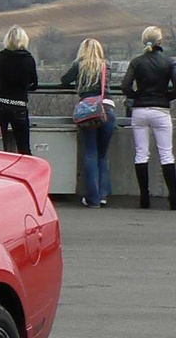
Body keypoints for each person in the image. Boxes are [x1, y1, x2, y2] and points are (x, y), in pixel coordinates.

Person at [119, 25, 175, 209]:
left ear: (144, 41)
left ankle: (144, 197)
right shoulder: (168, 62)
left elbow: (125, 86)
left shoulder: (137, 62)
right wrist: (166, 96)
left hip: (140, 110)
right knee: (166, 154)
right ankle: (173, 198)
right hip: (161, 110)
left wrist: (136, 96)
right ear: (160, 41)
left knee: (141, 152)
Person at [61, 38, 116, 207]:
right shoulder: (105, 65)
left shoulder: (79, 66)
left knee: (90, 153)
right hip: (106, 109)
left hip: (87, 111)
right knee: (103, 154)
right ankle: (103, 194)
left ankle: (92, 198)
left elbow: (64, 80)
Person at [0, 25, 39, 154]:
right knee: (24, 148)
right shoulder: (28, 60)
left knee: (0, 148)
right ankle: (25, 172)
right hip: (19, 106)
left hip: (0, 106)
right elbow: (34, 85)